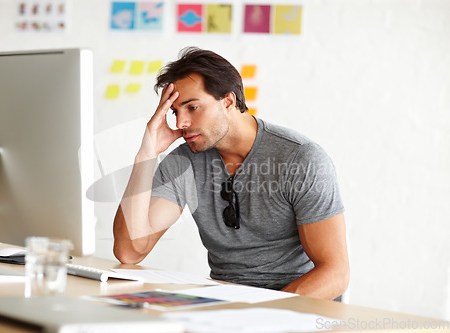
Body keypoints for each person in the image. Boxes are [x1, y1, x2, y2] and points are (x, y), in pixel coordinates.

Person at [113, 47, 349, 300]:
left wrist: (261, 317)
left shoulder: (300, 158)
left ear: (228, 101)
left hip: (298, 307)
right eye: (175, 112)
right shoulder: (183, 163)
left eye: (192, 107)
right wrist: (145, 157)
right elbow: (130, 251)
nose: (180, 123)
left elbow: (335, 273)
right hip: (226, 307)